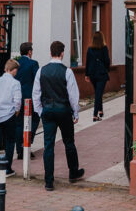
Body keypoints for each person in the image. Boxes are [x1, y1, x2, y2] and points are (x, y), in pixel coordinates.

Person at [32, 40, 85, 191]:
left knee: (48, 145)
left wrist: (40, 111)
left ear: (50, 53)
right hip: (63, 111)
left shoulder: (41, 71)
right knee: (69, 142)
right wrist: (75, 112)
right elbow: (73, 95)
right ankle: (73, 172)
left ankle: (49, 181)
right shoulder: (67, 72)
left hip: (47, 111)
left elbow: (36, 94)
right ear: (62, 53)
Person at [14, 42, 39, 160]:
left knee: (19, 124)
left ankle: (19, 150)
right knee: (34, 120)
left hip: (18, 97)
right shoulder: (33, 64)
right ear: (29, 52)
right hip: (30, 98)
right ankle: (27, 144)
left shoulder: (16, 63)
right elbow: (38, 80)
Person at [84, 31, 111, 121]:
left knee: (98, 92)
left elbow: (87, 62)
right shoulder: (104, 48)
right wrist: (106, 69)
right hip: (101, 74)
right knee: (98, 94)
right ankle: (95, 115)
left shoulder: (89, 49)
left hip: (92, 75)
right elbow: (107, 61)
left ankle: (100, 110)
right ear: (101, 39)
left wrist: (86, 74)